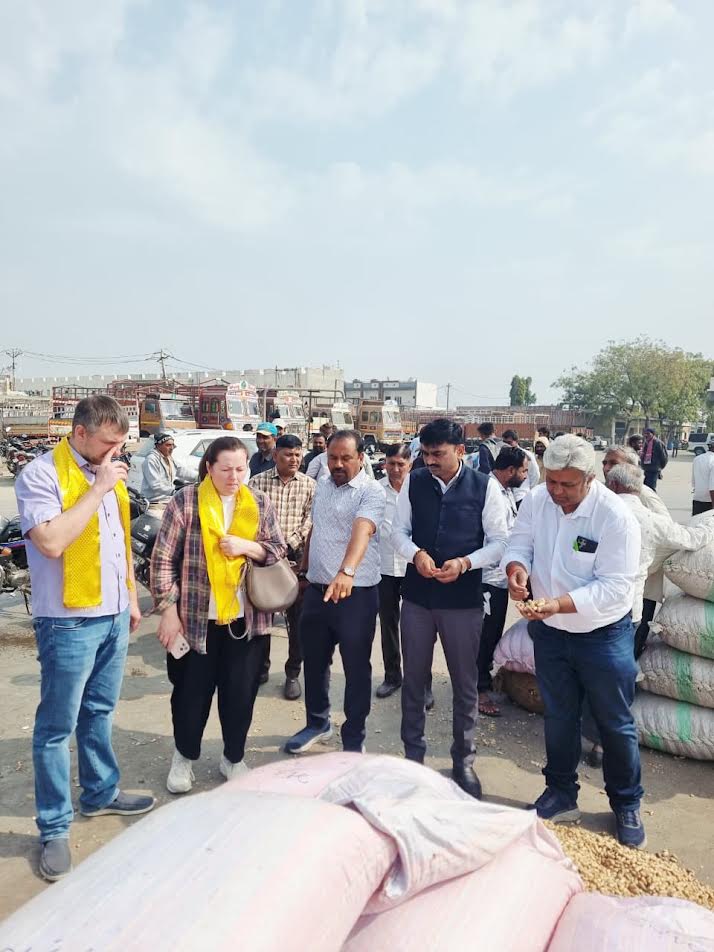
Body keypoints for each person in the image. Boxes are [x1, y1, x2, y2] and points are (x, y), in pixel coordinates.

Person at [15, 395, 155, 882]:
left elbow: (118, 545)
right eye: (108, 442)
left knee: (99, 712)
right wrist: (97, 489)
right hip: (68, 622)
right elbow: (51, 542)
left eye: (120, 443)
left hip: (112, 614)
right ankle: (54, 827)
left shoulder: (108, 471)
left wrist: (131, 600)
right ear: (79, 433)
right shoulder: (41, 475)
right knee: (56, 728)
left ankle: (100, 793)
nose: (116, 451)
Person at [503, 435, 646, 848]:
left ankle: (626, 803)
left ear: (589, 478)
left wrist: (557, 604)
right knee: (559, 716)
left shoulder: (614, 517)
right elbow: (520, 542)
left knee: (614, 721)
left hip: (602, 634)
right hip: (551, 633)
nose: (557, 492)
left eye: (567, 485)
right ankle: (561, 792)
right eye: (551, 481)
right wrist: (517, 570)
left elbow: (615, 587)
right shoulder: (537, 500)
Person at [150, 437, 286, 794]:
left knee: (240, 694)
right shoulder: (186, 501)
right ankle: (184, 756)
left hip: (246, 621)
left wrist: (248, 547)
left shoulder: (258, 502)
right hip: (195, 621)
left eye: (240, 469)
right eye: (226, 469)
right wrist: (168, 611)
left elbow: (277, 548)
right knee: (190, 695)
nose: (234, 477)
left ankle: (233, 757)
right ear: (209, 467)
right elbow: (163, 560)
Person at [392, 419, 509, 798]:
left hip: (463, 602)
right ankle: (413, 758)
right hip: (417, 598)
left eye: (437, 454)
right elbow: (397, 532)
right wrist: (416, 554)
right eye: (425, 453)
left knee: (464, 683)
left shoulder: (484, 486)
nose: (429, 461)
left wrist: (465, 563)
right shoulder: (415, 481)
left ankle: (463, 761)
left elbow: (500, 542)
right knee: (414, 681)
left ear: (460, 451)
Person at [284, 430, 386, 755]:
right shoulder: (323, 485)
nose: (338, 464)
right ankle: (317, 723)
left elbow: (363, 530)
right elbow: (316, 529)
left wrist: (347, 571)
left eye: (346, 458)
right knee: (314, 661)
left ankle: (354, 738)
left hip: (356, 594)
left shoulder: (371, 491)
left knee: (356, 667)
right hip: (316, 591)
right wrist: (303, 571)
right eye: (332, 458)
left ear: (361, 458)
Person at [249, 434, 315, 699]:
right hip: (263, 559)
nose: (294, 459)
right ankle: (261, 668)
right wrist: (269, 548)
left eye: (298, 454)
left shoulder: (310, 485)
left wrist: (291, 542)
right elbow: (249, 519)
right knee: (262, 616)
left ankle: (292, 673)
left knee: (297, 623)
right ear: (276, 455)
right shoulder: (257, 483)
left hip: (297, 560)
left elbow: (311, 520)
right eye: (288, 454)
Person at [478, 445, 530, 717]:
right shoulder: (489, 491)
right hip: (487, 577)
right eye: (524, 471)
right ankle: (478, 689)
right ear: (510, 470)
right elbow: (494, 538)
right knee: (484, 635)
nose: (526, 476)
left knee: (493, 631)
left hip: (499, 577)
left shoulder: (505, 491)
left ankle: (483, 679)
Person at [374, 444, 413, 699]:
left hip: (413, 567)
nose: (396, 469)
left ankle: (419, 681)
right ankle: (392, 676)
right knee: (388, 625)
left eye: (401, 464)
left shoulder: (418, 489)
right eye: (391, 464)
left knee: (416, 628)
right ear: (384, 463)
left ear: (410, 464)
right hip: (385, 568)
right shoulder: (376, 490)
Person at [141, 432, 191, 507]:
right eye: (168, 445)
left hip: (167, 500)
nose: (171, 448)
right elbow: (155, 485)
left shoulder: (169, 458)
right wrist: (173, 492)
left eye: (173, 445)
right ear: (158, 446)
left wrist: (201, 475)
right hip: (154, 502)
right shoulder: (151, 460)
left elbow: (182, 471)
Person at [501, 429, 539, 507]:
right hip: (508, 497)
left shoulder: (526, 455)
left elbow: (535, 475)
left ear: (516, 441)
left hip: (522, 495)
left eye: (509, 443)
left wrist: (529, 489)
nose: (506, 445)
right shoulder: (503, 456)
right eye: (504, 442)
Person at [692, 437, 714, 515]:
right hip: (710, 501)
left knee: (696, 521)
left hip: (697, 498)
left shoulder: (697, 459)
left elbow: (694, 481)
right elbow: (712, 488)